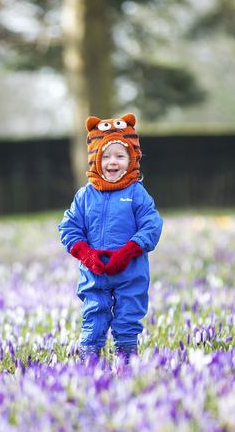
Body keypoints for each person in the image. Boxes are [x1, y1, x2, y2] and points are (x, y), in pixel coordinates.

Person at [58, 113, 164, 365]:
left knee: (128, 315)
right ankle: (90, 361)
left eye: (120, 156)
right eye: (106, 156)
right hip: (94, 272)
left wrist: (129, 251)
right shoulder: (85, 196)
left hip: (131, 271)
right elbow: (69, 227)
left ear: (132, 159)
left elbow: (152, 225)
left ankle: (126, 358)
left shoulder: (137, 193)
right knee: (94, 314)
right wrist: (85, 253)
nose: (112, 162)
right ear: (95, 159)